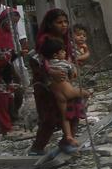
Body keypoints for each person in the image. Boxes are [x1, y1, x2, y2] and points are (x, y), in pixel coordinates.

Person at [28, 8, 85, 155]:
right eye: (59, 22)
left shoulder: (66, 39)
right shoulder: (44, 41)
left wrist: (71, 69)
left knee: (73, 109)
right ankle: (37, 148)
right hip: (46, 85)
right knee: (50, 117)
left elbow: (70, 58)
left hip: (64, 82)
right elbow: (36, 60)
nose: (64, 25)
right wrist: (50, 72)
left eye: (66, 22)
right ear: (50, 24)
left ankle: (67, 140)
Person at [37, 37, 91, 146]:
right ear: (56, 55)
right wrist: (72, 68)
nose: (65, 52)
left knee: (64, 117)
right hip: (68, 91)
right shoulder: (64, 64)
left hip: (57, 95)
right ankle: (82, 109)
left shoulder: (47, 65)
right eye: (62, 51)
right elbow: (73, 75)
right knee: (86, 93)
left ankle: (68, 136)